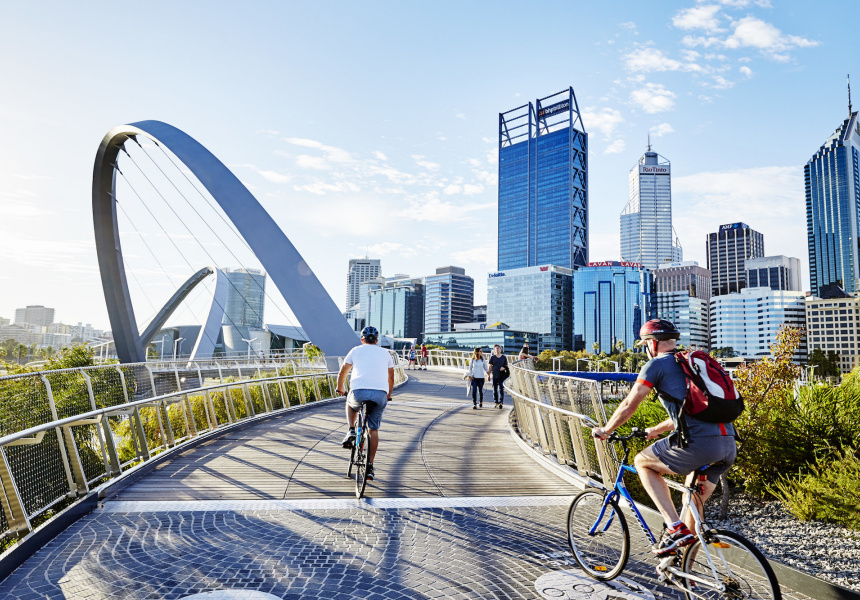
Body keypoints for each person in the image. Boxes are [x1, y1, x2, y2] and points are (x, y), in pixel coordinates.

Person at [591, 319, 738, 557]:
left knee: (642, 462)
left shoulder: (656, 364)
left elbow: (629, 404)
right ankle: (684, 571)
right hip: (727, 445)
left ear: (652, 343)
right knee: (690, 501)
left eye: (645, 344)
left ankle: (673, 527)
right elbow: (693, 409)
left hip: (699, 444)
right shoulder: (691, 364)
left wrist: (606, 430)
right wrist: (658, 429)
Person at [336, 326, 394, 482]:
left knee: (350, 403)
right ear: (376, 341)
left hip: (359, 391)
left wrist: (340, 387)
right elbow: (391, 378)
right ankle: (370, 466)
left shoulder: (355, 350)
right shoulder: (385, 353)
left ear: (362, 340)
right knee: (373, 430)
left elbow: (343, 372)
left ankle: (351, 431)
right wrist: (388, 395)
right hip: (380, 394)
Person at [488, 344, 509, 409]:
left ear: (500, 349)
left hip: (501, 376)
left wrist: (504, 368)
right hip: (494, 376)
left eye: (498, 348)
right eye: (496, 348)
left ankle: (501, 402)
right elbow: (490, 366)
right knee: (494, 390)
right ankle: (496, 402)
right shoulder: (492, 357)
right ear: (494, 350)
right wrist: (488, 375)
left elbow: (507, 366)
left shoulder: (504, 357)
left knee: (501, 390)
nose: (497, 349)